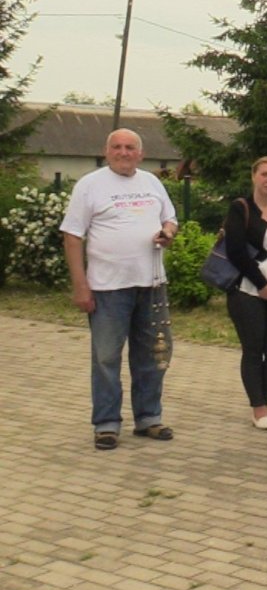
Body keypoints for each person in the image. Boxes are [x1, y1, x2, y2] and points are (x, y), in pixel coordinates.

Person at [60, 128, 178, 450]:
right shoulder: (90, 185)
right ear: (106, 151)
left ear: (140, 154)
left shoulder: (152, 183)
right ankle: (107, 424)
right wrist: (80, 286)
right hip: (108, 289)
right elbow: (72, 236)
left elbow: (171, 220)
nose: (123, 152)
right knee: (106, 358)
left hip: (152, 285)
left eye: (130, 148)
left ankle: (149, 418)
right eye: (117, 147)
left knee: (153, 355)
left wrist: (167, 232)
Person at [223, 156, 267, 430]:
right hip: (246, 291)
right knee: (253, 350)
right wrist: (261, 285)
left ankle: (266, 400)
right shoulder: (239, 208)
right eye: (264, 174)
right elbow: (236, 252)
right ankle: (259, 408)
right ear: (254, 176)